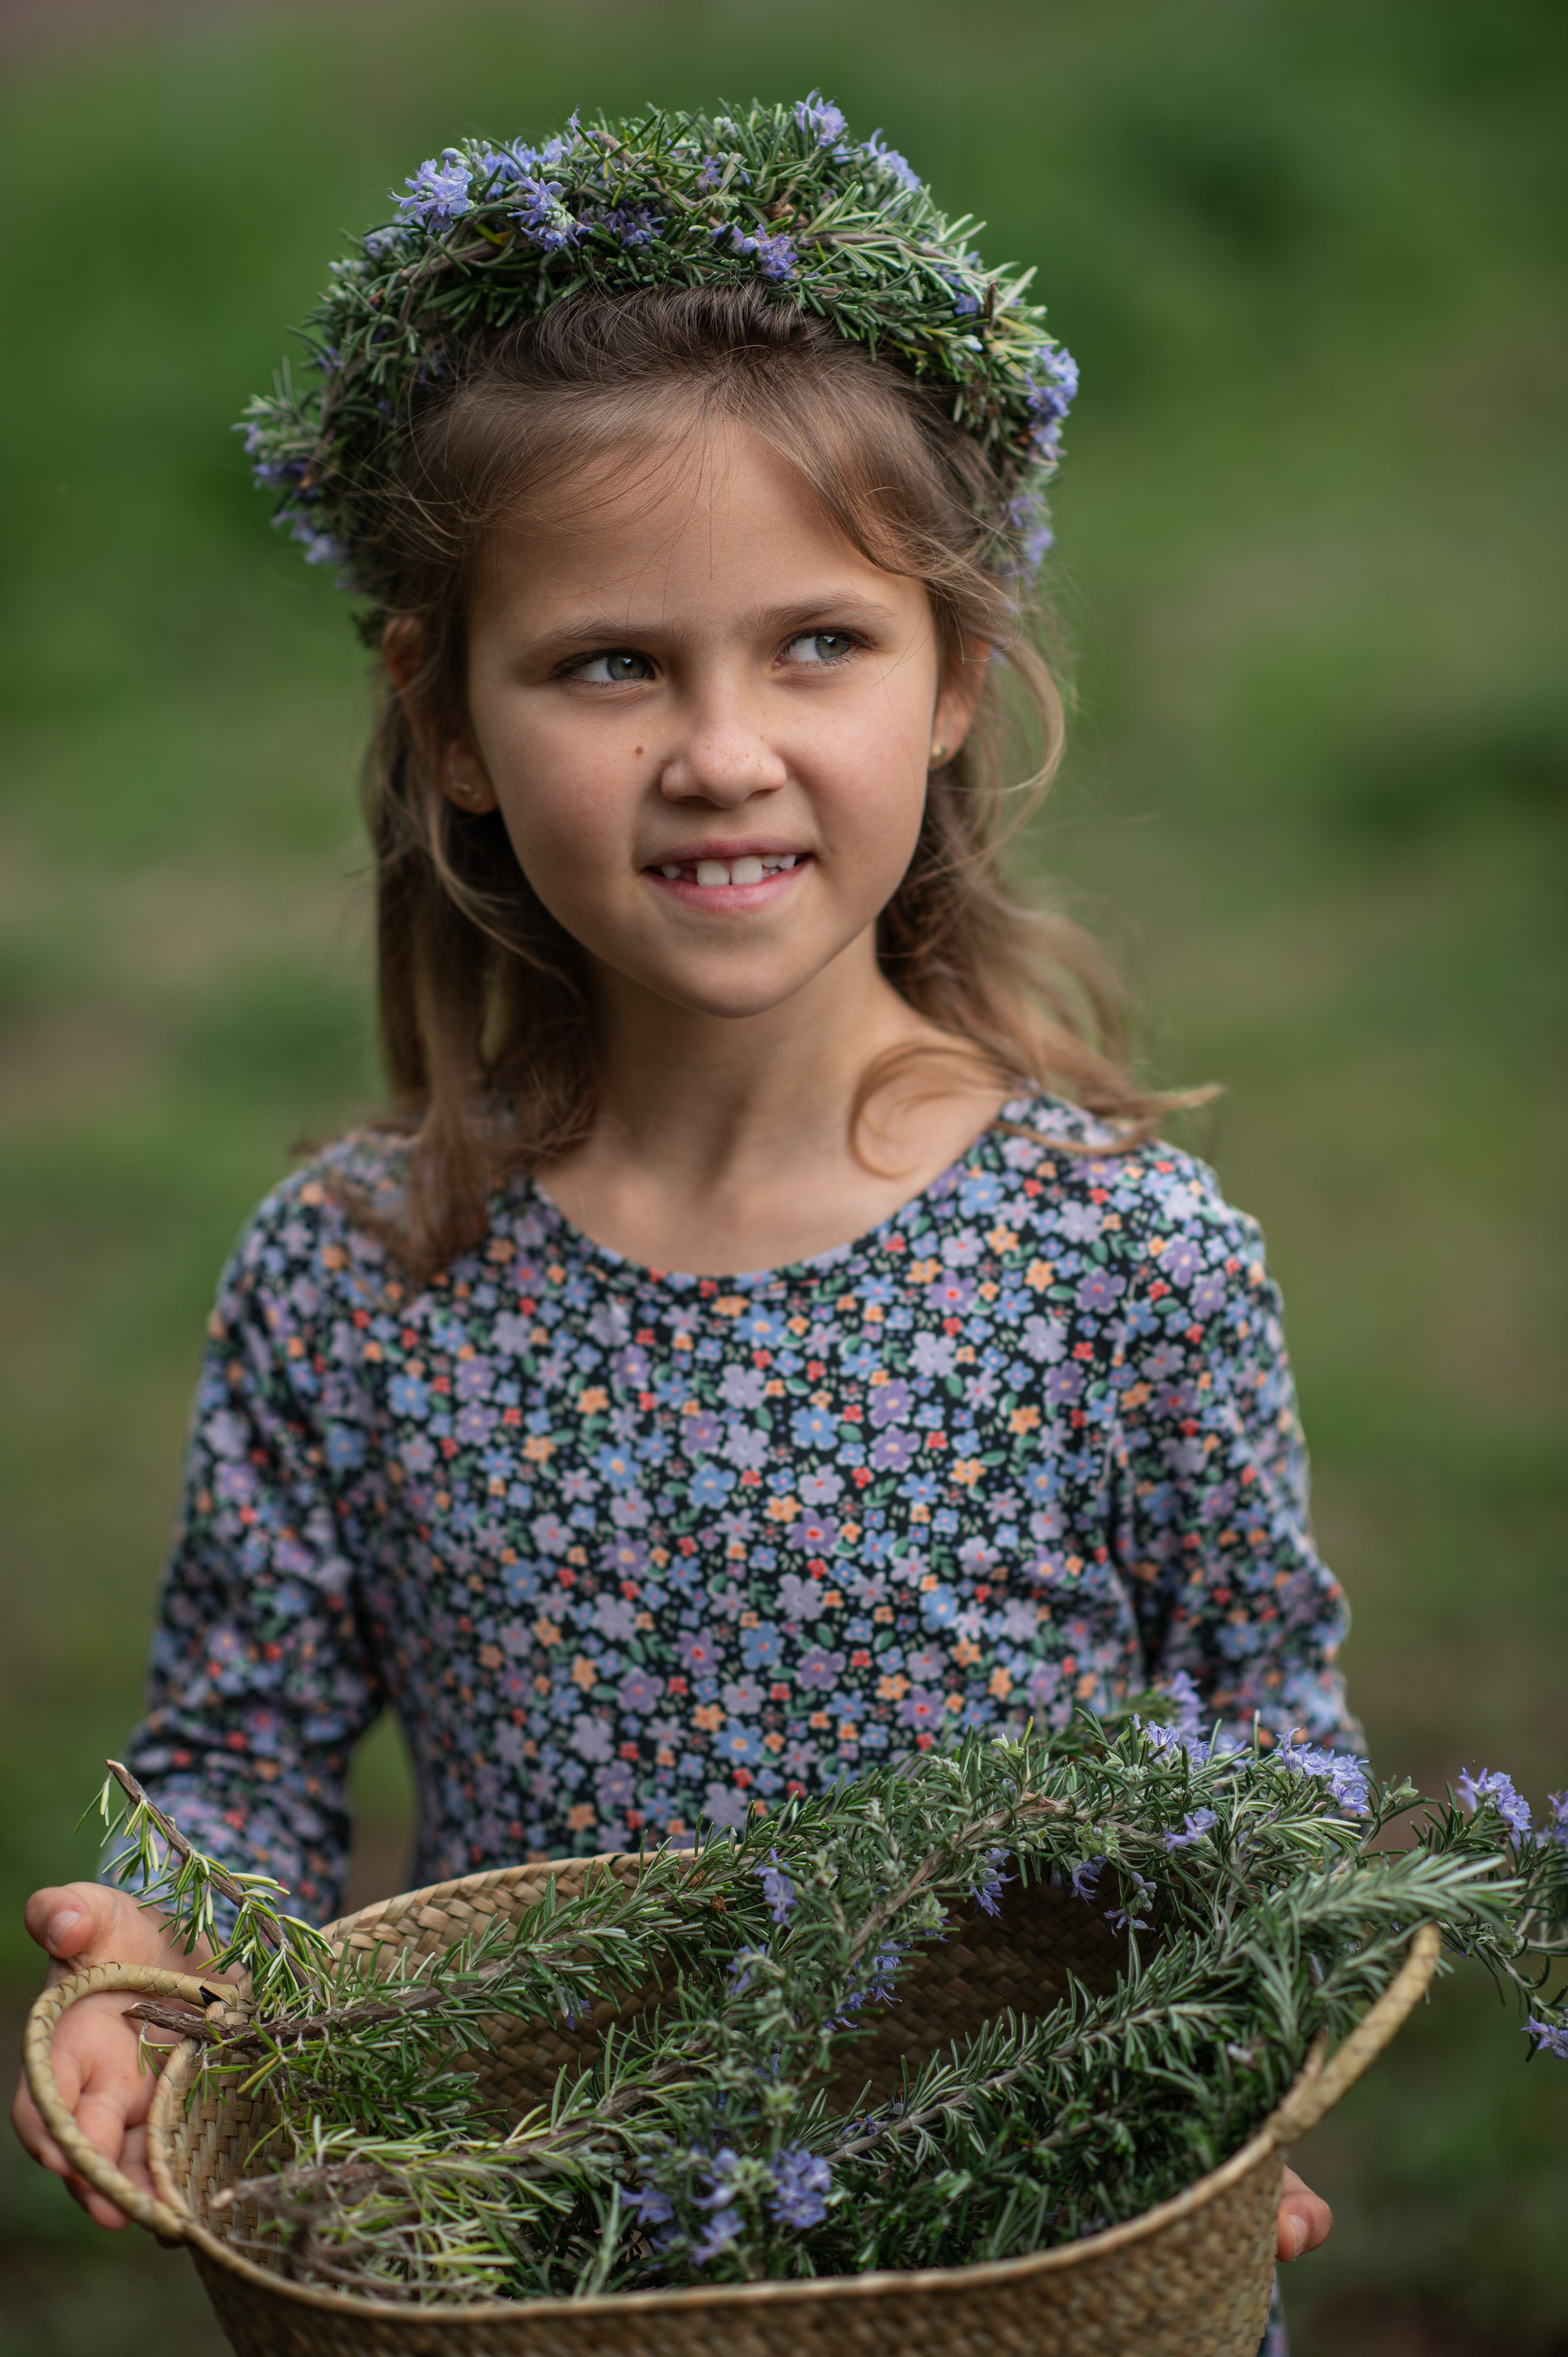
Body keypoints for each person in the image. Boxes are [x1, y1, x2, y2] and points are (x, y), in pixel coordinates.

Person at [12, 97, 1341, 2315]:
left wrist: (1240, 2072)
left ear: (954, 679)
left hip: (1016, 2256)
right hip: (543, 2264)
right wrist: (158, 1952)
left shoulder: (1122, 1259)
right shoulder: (354, 1278)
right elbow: (242, 1759)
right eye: (611, 663)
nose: (722, 751)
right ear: (448, 717)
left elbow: (1263, 1741)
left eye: (818, 643)